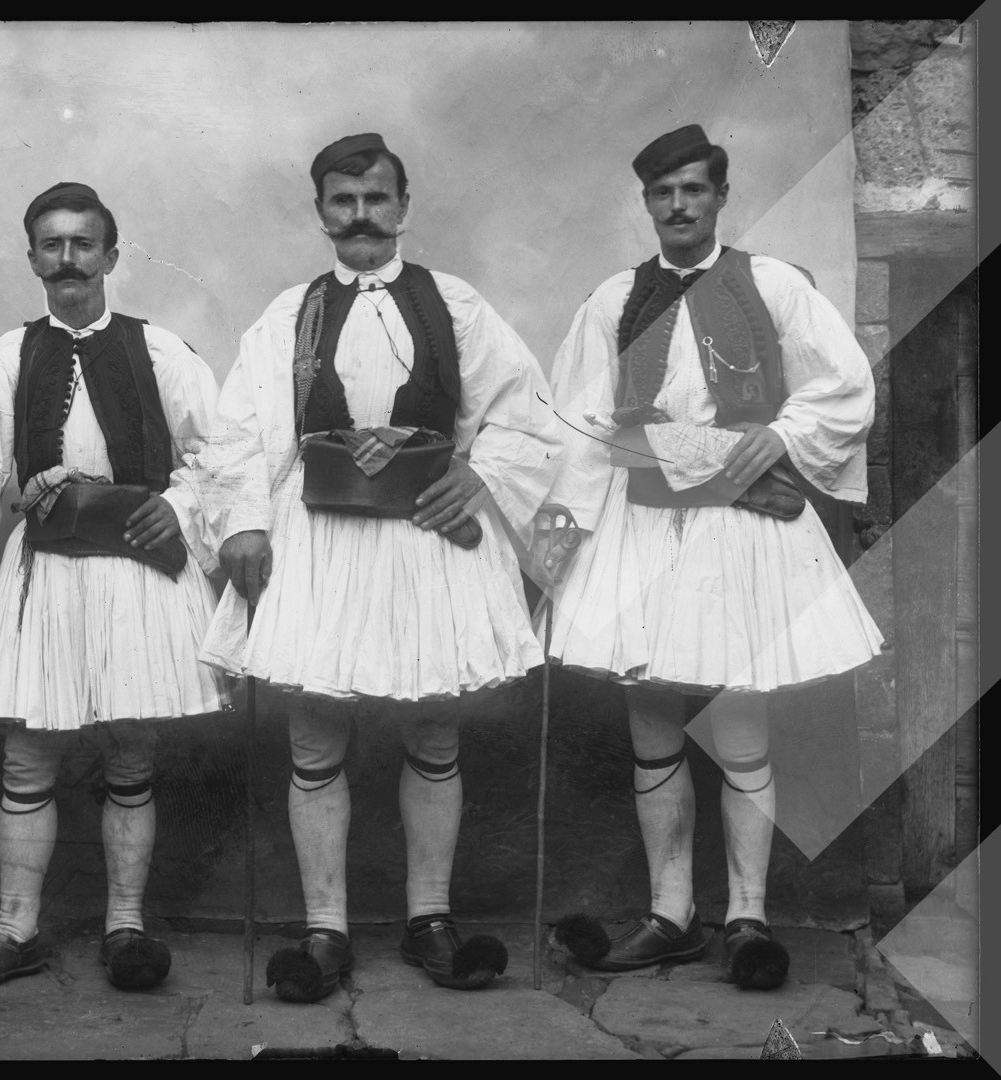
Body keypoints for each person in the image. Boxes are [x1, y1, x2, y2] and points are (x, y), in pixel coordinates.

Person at [199, 133, 562, 1002]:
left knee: (433, 727)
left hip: (424, 536)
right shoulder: (289, 314)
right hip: (320, 536)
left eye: (375, 198)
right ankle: (324, 930)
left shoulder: (455, 304)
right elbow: (239, 429)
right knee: (315, 728)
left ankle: (429, 919)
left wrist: (480, 473)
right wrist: (243, 523)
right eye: (343, 200)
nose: (360, 215)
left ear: (403, 206)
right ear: (321, 212)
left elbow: (524, 408)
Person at [543, 125, 883, 989]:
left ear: (721, 197)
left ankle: (746, 916)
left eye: (694, 189)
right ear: (647, 203)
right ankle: (671, 914)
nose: (679, 205)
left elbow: (843, 382)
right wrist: (554, 546)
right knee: (653, 721)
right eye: (664, 193)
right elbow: (578, 424)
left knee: (738, 725)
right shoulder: (614, 300)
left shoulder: (771, 285)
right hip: (644, 526)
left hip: (740, 531)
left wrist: (780, 435)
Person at [0, 182, 227, 992]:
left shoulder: (160, 350)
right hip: (46, 566)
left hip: (135, 567)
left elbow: (220, 450)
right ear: (33, 260)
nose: (68, 259)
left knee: (129, 745)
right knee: (27, 751)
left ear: (111, 256)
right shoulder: (10, 356)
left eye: (83, 244)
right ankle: (15, 930)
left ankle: (126, 928)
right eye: (52, 245)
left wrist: (180, 507)